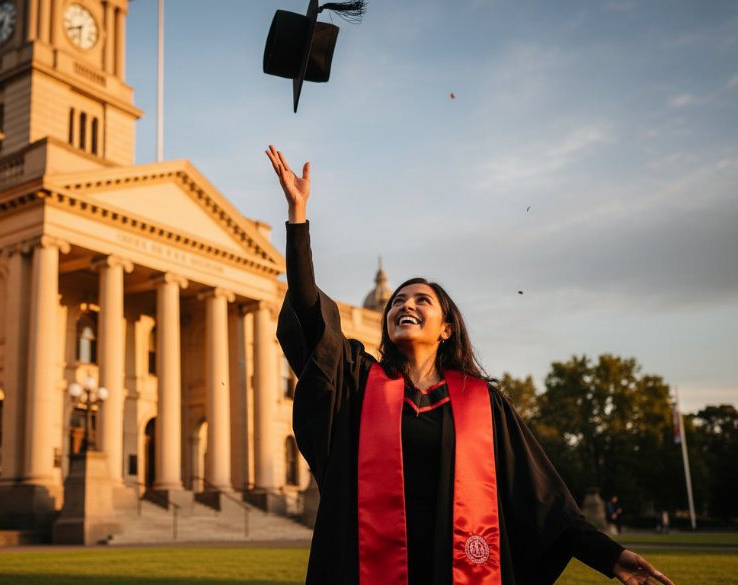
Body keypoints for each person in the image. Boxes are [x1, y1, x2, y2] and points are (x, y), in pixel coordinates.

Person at [265, 145, 674, 585]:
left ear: (446, 328)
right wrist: (298, 219)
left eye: (422, 300)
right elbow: (310, 318)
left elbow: (542, 499)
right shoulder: (360, 382)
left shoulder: (482, 404)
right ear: (386, 322)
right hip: (365, 566)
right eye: (398, 301)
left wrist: (610, 556)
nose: (407, 305)